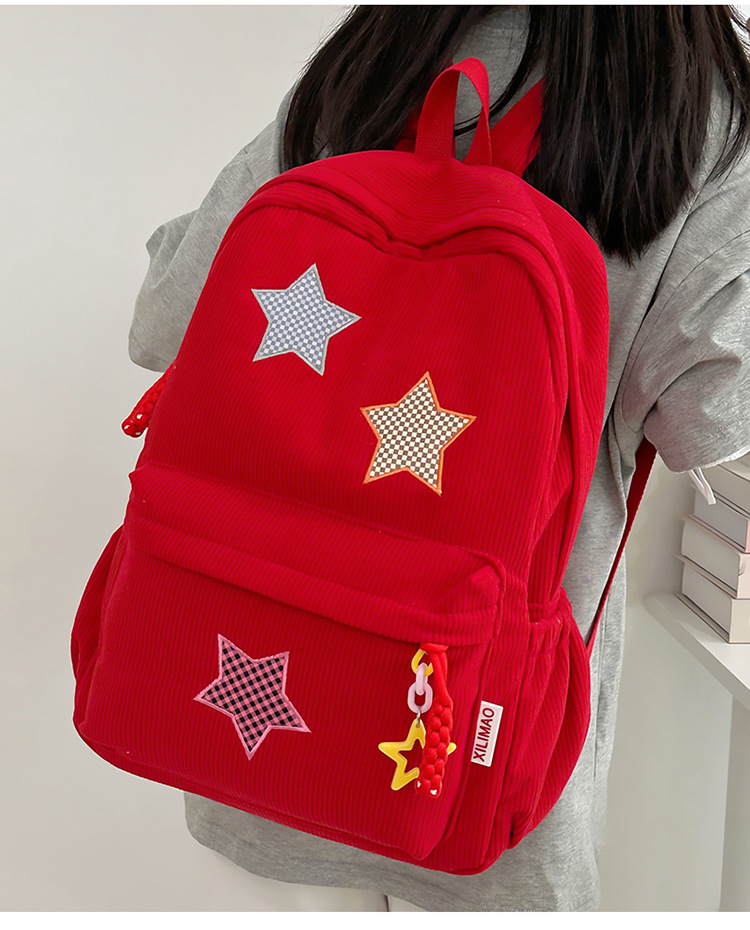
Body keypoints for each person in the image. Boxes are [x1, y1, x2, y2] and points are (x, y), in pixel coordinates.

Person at [127, 5, 750, 912]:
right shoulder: (712, 115)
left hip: (239, 723)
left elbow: (164, 322)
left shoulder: (389, 47)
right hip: (473, 756)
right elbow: (710, 421)